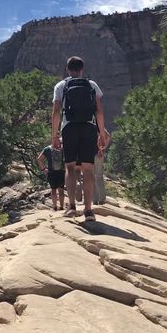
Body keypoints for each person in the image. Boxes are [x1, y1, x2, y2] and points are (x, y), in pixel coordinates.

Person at [52, 56, 106, 221]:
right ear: (82, 69)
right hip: (89, 127)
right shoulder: (91, 85)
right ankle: (88, 211)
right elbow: (99, 111)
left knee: (70, 168)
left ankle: (72, 207)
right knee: (88, 169)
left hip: (69, 128)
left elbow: (56, 112)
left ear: (67, 69)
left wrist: (54, 135)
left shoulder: (61, 86)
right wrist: (101, 134)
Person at [37, 141, 65, 211]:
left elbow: (39, 159)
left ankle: (55, 207)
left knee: (53, 190)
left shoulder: (47, 149)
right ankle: (61, 207)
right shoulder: (63, 148)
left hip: (51, 172)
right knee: (61, 189)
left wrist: (43, 169)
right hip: (61, 171)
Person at [93, 128, 112, 205]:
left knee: (96, 176)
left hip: (96, 153)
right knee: (96, 176)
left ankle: (97, 198)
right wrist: (103, 147)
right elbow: (108, 136)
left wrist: (102, 148)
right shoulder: (98, 125)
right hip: (96, 153)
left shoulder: (97, 125)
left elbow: (108, 136)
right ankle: (99, 198)